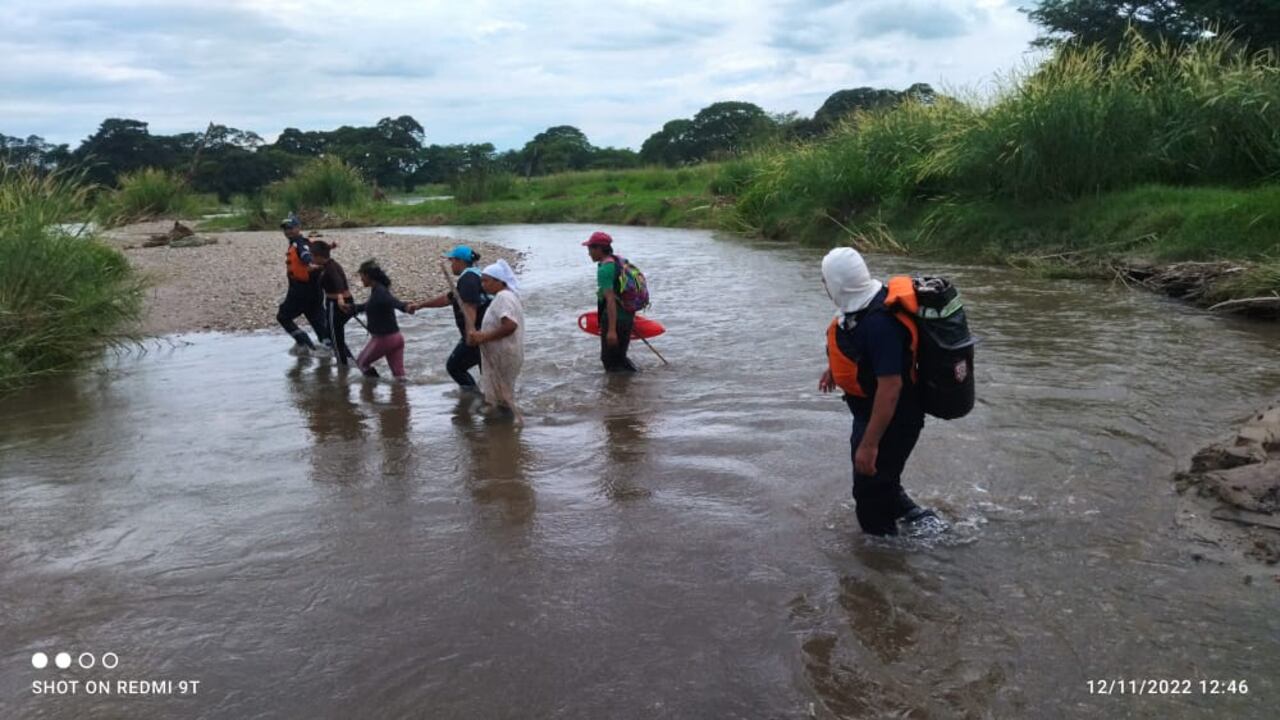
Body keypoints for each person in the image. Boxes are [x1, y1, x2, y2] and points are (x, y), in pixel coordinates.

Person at [817, 247, 943, 536]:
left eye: (825, 279)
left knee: (869, 498)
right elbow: (856, 343)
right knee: (877, 478)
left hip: (894, 418)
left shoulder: (879, 323)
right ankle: (918, 518)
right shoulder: (863, 303)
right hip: (871, 412)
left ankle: (885, 556)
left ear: (839, 283)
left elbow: (890, 387)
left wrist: (870, 444)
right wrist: (834, 368)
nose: (823, 284)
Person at [415, 245, 491, 392]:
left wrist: (470, 335)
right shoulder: (474, 275)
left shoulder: (468, 279)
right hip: (485, 334)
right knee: (488, 374)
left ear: (460, 261)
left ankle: (472, 397)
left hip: (478, 335)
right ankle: (486, 399)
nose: (451, 265)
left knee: (455, 367)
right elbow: (448, 299)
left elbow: (470, 307)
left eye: (452, 261)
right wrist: (421, 305)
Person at [468, 259, 524, 422]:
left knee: (502, 398)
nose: (483, 285)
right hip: (505, 354)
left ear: (499, 281)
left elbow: (510, 325)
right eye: (482, 281)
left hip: (503, 356)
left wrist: (484, 336)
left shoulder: (503, 297)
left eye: (486, 281)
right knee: (502, 395)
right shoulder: (508, 296)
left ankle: (504, 430)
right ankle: (505, 428)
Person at [348, 260, 415, 381]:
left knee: (361, 363)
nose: (361, 279)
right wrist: (353, 308)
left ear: (368, 276)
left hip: (384, 339)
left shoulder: (380, 292)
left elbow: (393, 302)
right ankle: (401, 393)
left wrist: (405, 307)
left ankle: (371, 389)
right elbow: (369, 305)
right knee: (399, 376)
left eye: (362, 276)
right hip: (396, 338)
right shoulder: (378, 290)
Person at [276, 215, 330, 354]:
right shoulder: (304, 242)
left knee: (283, 317)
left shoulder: (300, 244)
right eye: (285, 229)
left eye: (290, 228)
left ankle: (304, 343)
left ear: (298, 228)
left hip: (301, 292)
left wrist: (309, 262)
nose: (288, 231)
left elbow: (305, 255)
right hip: (315, 291)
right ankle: (332, 353)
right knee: (319, 325)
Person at [583, 231, 636, 372]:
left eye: (590, 249)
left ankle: (622, 385)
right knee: (620, 358)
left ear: (599, 249)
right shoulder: (618, 261)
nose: (588, 253)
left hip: (615, 319)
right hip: (627, 316)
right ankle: (630, 383)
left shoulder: (605, 269)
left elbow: (610, 300)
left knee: (609, 360)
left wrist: (611, 331)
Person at [310, 240, 359, 369]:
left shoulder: (330, 268)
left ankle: (343, 367)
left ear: (318, 256)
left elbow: (338, 282)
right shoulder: (329, 264)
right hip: (346, 301)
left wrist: (340, 298)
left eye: (311, 255)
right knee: (334, 333)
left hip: (336, 304)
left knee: (334, 336)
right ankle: (348, 360)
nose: (310, 258)